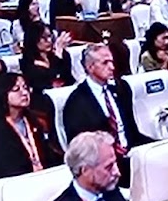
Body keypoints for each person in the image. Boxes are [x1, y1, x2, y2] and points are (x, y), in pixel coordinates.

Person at [62, 43, 151, 184]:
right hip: (105, 165)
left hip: (132, 155)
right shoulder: (76, 103)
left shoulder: (121, 89)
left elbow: (132, 131)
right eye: (105, 63)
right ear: (90, 67)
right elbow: (82, 151)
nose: (112, 67)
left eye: (112, 62)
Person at [0, 73, 59, 181]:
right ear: (3, 94)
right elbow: (2, 169)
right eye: (16, 89)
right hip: (14, 182)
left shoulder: (33, 121)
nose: (24, 93)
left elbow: (47, 154)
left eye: (25, 88)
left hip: (41, 178)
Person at [138, 22, 168, 90]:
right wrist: (165, 63)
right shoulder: (146, 56)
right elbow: (156, 81)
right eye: (163, 38)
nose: (167, 42)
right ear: (154, 39)